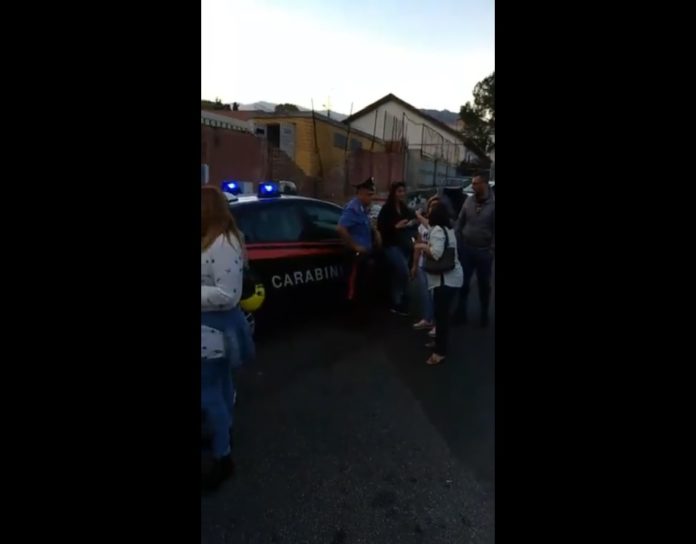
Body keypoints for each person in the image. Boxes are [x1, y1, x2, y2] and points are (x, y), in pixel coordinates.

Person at [201, 186, 254, 491]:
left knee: (208, 394)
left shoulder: (223, 242)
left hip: (214, 331)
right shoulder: (212, 238)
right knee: (219, 386)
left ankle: (222, 457)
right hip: (209, 329)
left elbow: (228, 294)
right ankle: (224, 433)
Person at [415, 203, 463, 365]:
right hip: (452, 278)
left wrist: (421, 246)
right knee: (441, 314)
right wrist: (418, 217)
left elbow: (436, 254)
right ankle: (438, 343)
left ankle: (440, 351)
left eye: (430, 213)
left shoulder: (437, 231)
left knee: (441, 317)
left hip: (445, 280)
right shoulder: (447, 229)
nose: (428, 215)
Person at [453, 172, 495, 327]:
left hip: (484, 251)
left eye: (476, 183)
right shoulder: (469, 201)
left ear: (484, 185)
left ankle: (484, 314)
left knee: (484, 285)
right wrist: (457, 241)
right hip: (466, 249)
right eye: (472, 183)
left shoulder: (493, 204)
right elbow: (460, 221)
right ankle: (460, 312)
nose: (473, 186)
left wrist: (492, 249)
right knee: (463, 282)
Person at [337, 177, 382, 305]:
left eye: (372, 194)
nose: (372, 198)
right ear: (360, 194)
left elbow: (364, 227)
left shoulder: (363, 208)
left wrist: (375, 233)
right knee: (353, 289)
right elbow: (341, 229)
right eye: (369, 195)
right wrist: (355, 246)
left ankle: (361, 310)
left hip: (365, 254)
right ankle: (352, 312)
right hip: (355, 256)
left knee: (363, 286)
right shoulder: (353, 209)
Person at [377, 181, 417, 315]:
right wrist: (396, 226)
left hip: (403, 245)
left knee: (397, 274)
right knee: (403, 272)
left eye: (403, 191)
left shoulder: (403, 207)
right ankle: (399, 300)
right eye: (399, 191)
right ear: (393, 193)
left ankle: (397, 301)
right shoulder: (387, 208)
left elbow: (413, 218)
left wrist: (411, 222)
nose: (402, 194)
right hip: (391, 245)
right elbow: (381, 227)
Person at [411, 195, 440, 331]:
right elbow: (418, 245)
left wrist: (418, 215)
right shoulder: (422, 228)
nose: (433, 209)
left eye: (436, 207)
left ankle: (437, 323)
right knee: (425, 294)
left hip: (436, 266)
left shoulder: (442, 226)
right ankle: (427, 319)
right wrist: (414, 265)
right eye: (431, 206)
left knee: (436, 295)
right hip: (423, 264)